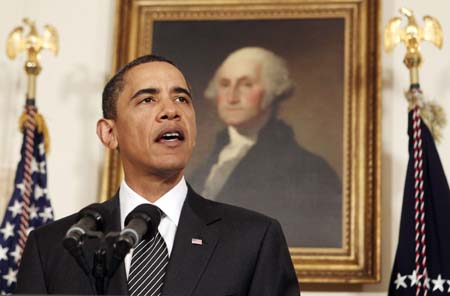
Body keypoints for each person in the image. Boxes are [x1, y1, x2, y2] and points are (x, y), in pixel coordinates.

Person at [15, 55, 300, 295]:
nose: (171, 111)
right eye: (148, 99)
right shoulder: (54, 246)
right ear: (109, 133)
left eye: (181, 99)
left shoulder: (253, 239)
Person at [189, 47, 342, 247]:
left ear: (271, 92)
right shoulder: (204, 166)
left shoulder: (308, 170)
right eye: (225, 85)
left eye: (246, 85)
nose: (232, 97)